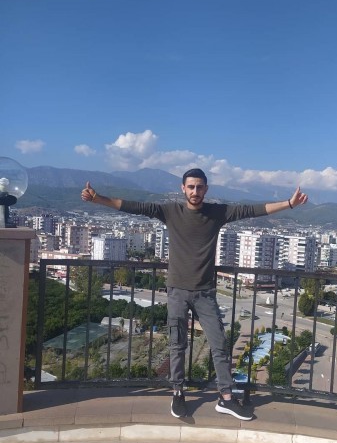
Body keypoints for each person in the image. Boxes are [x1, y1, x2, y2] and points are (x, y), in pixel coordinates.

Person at [81, 168, 308, 420]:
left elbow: (252, 210)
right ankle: (178, 392)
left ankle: (226, 398)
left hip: (205, 293)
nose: (195, 191)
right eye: (191, 187)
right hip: (177, 291)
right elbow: (134, 206)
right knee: (177, 344)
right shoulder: (170, 211)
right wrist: (98, 199)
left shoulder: (217, 213)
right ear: (183, 188)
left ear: (206, 189)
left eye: (199, 187)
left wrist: (289, 204)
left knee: (219, 344)